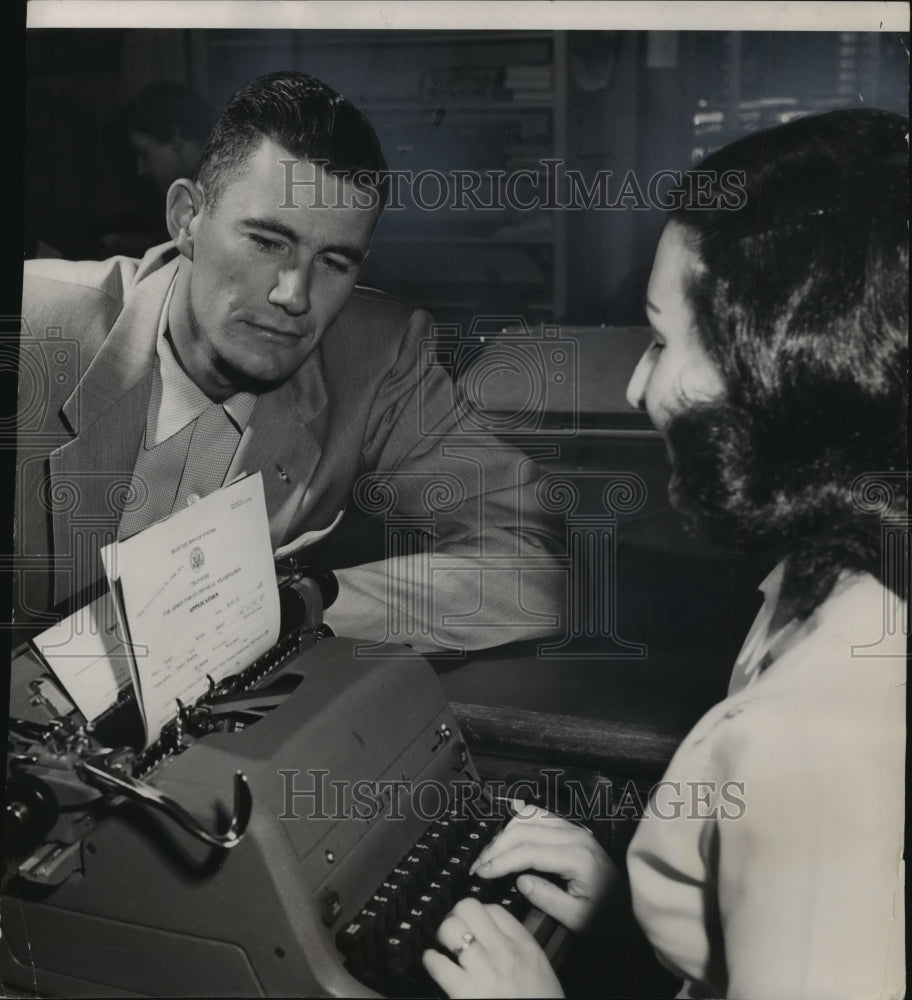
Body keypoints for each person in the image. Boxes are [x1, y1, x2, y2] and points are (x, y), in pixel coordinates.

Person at [422, 108, 908, 998]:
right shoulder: (846, 580)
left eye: (660, 340)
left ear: (778, 374)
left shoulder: (806, 740)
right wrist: (648, 904)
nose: (641, 384)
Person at [13, 71, 563, 651]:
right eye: (267, 242)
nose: (294, 296)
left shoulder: (376, 357)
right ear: (186, 219)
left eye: (333, 262)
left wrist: (300, 602)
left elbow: (535, 565)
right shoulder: (31, 326)